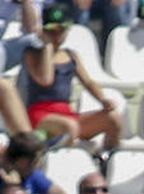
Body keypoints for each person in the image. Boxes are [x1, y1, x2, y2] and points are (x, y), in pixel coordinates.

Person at [22, 5, 121, 153]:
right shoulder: (32, 54)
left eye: (61, 30)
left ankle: (107, 157)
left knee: (114, 119)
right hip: (41, 116)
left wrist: (103, 100)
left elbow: (88, 82)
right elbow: (45, 79)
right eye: (51, 31)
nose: (56, 35)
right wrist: (47, 46)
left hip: (67, 113)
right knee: (69, 127)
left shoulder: (71, 55)